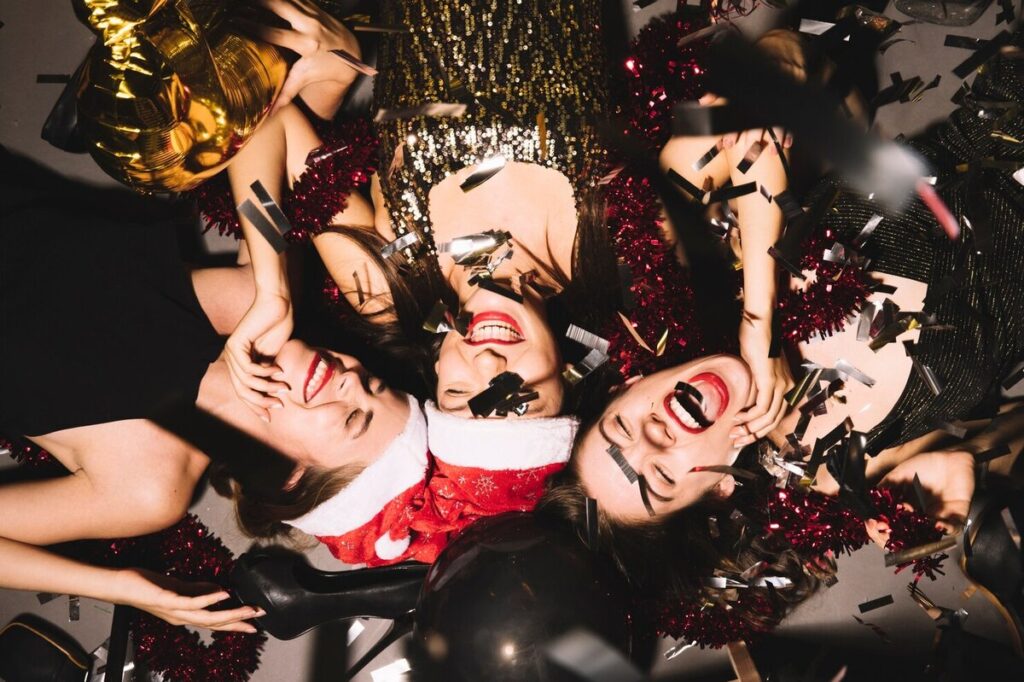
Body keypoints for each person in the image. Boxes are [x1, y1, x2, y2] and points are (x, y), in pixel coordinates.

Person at [540, 24, 1024, 645]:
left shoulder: (677, 269)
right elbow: (998, 434)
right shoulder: (833, 480)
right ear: (715, 489)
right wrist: (958, 479)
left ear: (627, 383)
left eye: (622, 428)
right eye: (659, 479)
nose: (654, 437)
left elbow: (769, 69)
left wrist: (758, 326)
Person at [198, 0, 796, 436]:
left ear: (433, 379)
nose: (488, 363)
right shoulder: (612, 248)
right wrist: (757, 327)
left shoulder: (386, 288)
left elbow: (267, 128)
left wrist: (271, 293)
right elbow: (746, 136)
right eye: (522, 398)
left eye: (458, 393)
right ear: (567, 376)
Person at [0, 149, 414, 632]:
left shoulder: (150, 486)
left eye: (352, 417)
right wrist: (272, 286)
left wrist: (120, 585)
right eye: (373, 383)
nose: (350, 380)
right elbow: (268, 153)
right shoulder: (249, 301)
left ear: (292, 479)